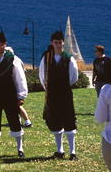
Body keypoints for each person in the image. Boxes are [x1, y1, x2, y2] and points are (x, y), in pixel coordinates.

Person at [0, 31, 28, 158]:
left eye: (1, 44)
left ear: (5, 44)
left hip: (10, 95)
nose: (0, 46)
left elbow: (19, 77)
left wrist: (21, 95)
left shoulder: (13, 59)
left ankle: (20, 149)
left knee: (14, 121)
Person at [39, 31, 80, 160]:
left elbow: (74, 77)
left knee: (69, 121)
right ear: (52, 43)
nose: (58, 45)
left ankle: (72, 152)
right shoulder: (46, 58)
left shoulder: (69, 58)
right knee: (54, 120)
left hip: (65, 94)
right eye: (55, 42)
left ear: (63, 43)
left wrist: (62, 85)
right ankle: (60, 150)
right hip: (52, 94)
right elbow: (42, 75)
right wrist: (49, 88)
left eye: (60, 42)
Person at [5, 46, 32, 128]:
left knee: (17, 106)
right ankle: (18, 120)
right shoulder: (17, 59)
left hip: (15, 87)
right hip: (14, 86)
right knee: (13, 106)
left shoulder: (14, 60)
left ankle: (27, 121)